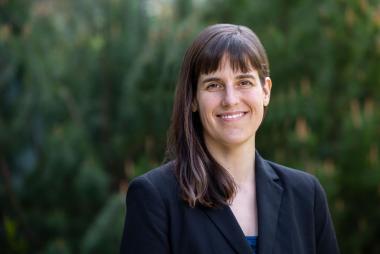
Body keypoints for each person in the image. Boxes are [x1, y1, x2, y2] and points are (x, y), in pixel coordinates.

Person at [120, 23, 339, 254]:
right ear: (193, 98)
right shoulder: (154, 197)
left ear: (266, 92)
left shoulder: (306, 195)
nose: (230, 99)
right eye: (214, 85)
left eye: (244, 82)